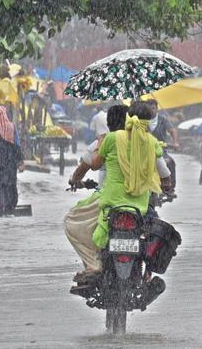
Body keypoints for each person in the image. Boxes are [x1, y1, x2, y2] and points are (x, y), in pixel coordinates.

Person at [65, 104, 171, 281]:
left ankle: (94, 265)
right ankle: (147, 273)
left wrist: (101, 143)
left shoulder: (110, 138)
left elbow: (94, 164)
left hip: (111, 200)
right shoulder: (151, 142)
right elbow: (165, 175)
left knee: (74, 222)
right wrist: (164, 185)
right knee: (154, 233)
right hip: (141, 204)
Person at [146, 99, 178, 191]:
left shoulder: (163, 119)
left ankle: (170, 188)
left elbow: (172, 130)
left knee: (170, 162)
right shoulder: (142, 120)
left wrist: (175, 142)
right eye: (149, 108)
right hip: (146, 150)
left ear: (157, 108)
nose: (151, 110)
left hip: (161, 150)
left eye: (153, 108)